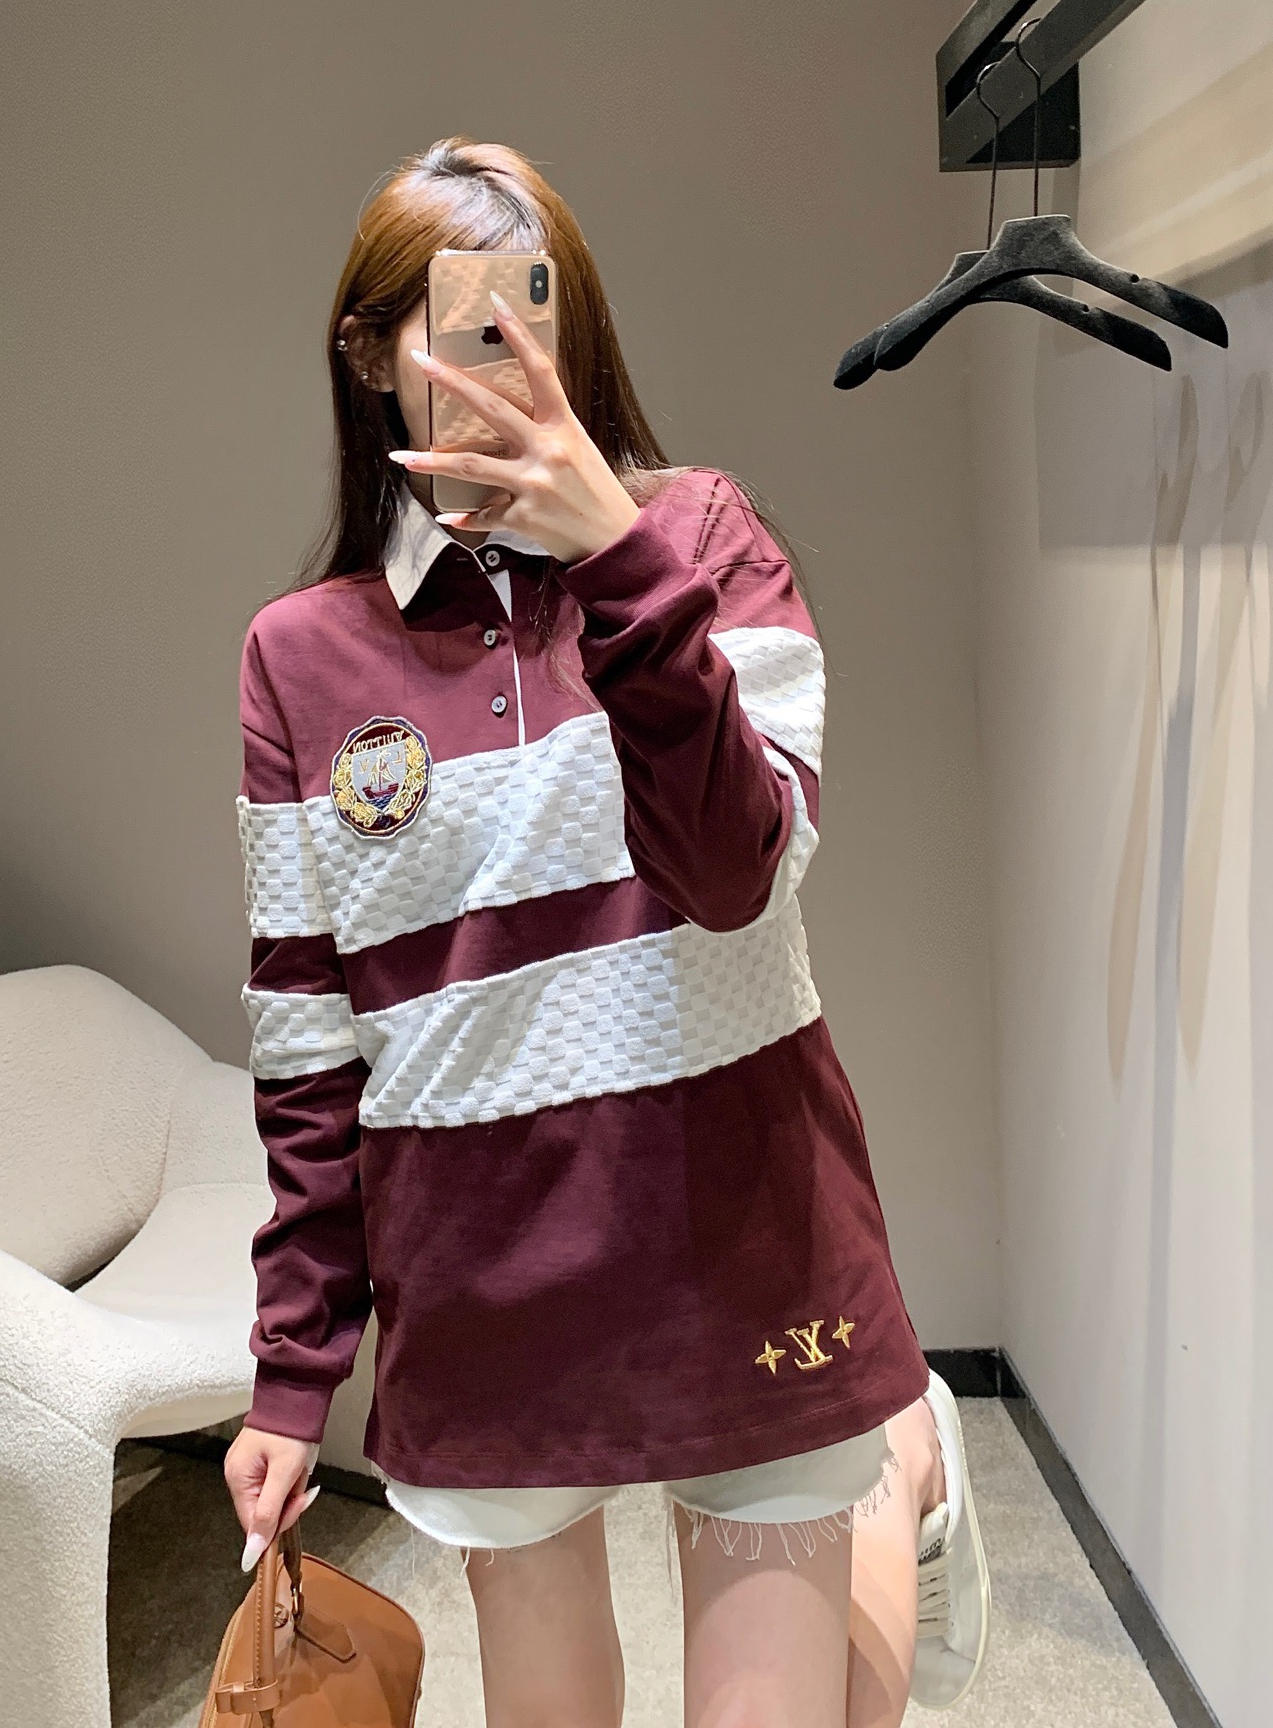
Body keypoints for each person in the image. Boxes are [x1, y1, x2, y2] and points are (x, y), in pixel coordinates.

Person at [222, 138, 989, 1727]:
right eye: (461, 321)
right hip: (483, 1280)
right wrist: (295, 1373)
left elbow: (735, 874)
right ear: (370, 354)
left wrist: (619, 564)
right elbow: (308, 1043)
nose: (505, 355)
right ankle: (895, 1446)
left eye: (535, 313)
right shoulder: (299, 658)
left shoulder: (702, 542)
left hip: (744, 1233)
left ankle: (901, 1454)